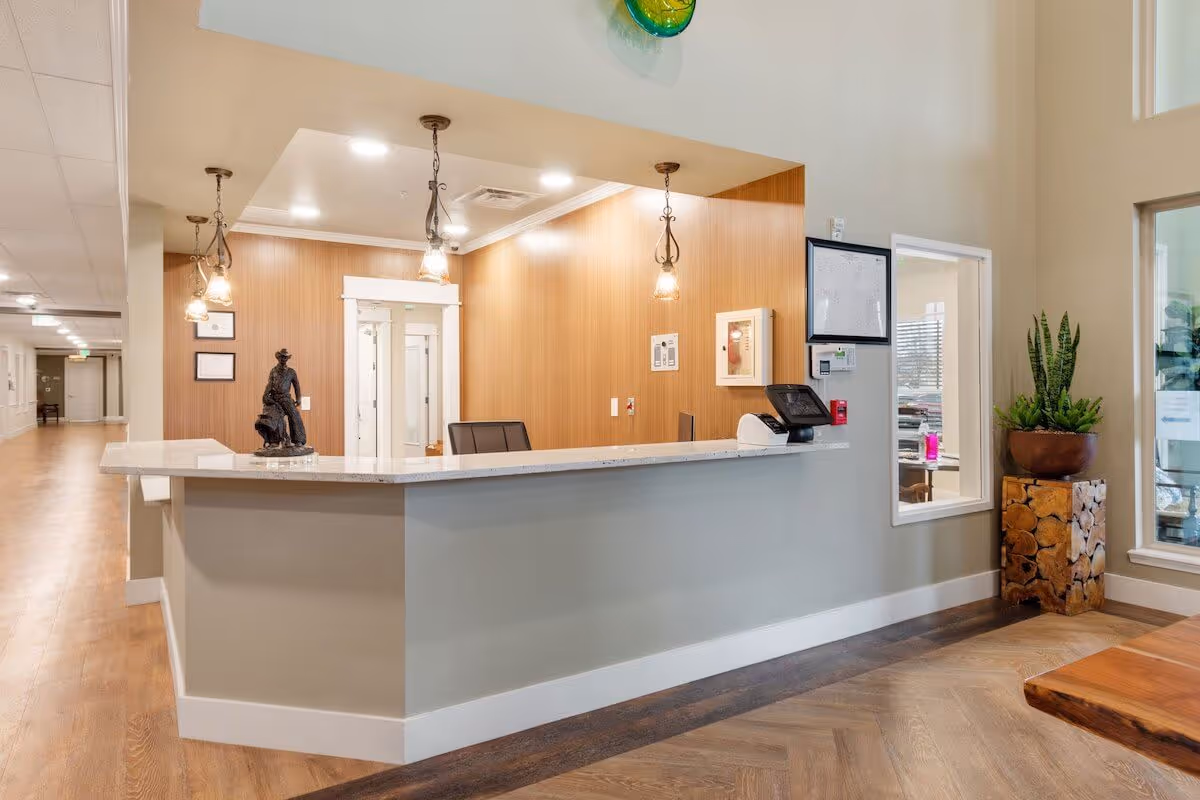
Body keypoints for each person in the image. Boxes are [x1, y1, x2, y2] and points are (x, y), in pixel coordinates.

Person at [263, 348, 306, 447]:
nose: (283, 359)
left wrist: (298, 398)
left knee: (295, 415)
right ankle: (274, 441)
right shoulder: (273, 371)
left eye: (285, 357)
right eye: (282, 357)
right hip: (275, 399)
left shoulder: (291, 372)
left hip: (286, 398)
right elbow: (269, 384)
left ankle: (298, 439)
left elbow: (297, 386)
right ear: (278, 358)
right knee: (274, 417)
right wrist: (267, 396)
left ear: (287, 359)